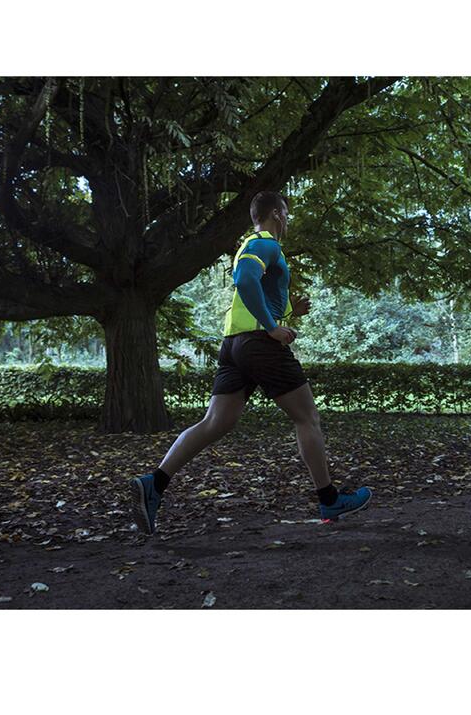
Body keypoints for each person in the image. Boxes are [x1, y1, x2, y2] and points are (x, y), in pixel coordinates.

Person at [130, 190, 372, 534]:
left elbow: (255, 294)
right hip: (259, 343)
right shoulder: (265, 243)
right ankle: (329, 497)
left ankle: (154, 483)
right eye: (285, 212)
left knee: (215, 422)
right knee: (307, 417)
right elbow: (244, 280)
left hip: (234, 345)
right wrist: (273, 328)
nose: (287, 220)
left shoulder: (254, 246)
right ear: (276, 213)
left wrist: (289, 313)